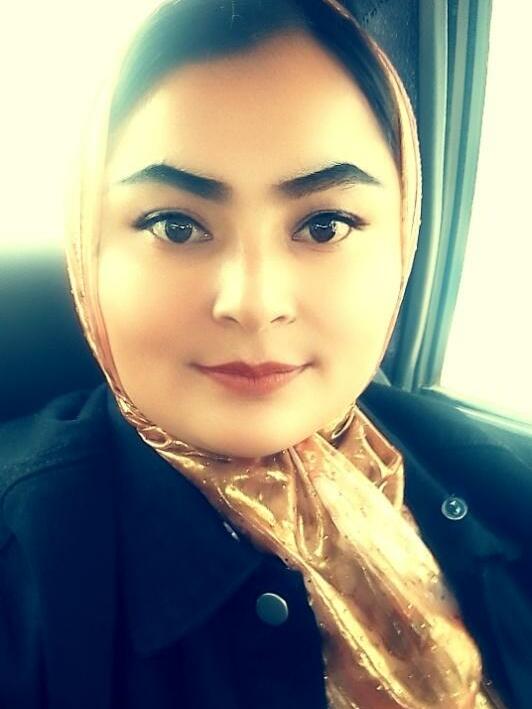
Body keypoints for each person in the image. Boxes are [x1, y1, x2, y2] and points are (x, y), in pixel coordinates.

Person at [0, 1, 530, 707]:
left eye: (325, 224)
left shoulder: (492, 476)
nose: (252, 302)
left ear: (402, 238)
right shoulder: (24, 561)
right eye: (175, 225)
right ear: (87, 250)